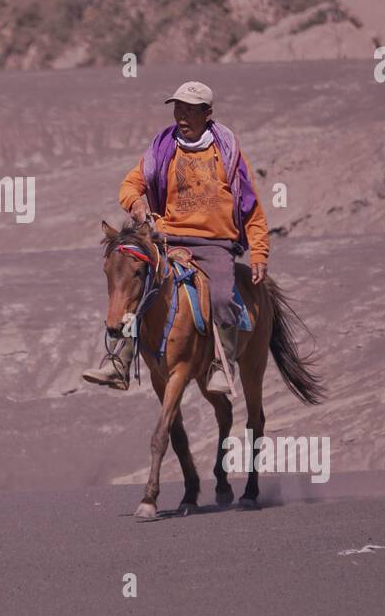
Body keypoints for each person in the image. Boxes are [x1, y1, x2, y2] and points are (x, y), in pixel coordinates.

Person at [83, 80, 270, 393]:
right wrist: (138, 203)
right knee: (138, 288)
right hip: (168, 240)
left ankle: (221, 367)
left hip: (215, 244)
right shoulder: (163, 148)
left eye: (191, 111)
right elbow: (129, 186)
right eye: (178, 109)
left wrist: (259, 252)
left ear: (207, 113)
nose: (182, 117)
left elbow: (251, 207)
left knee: (223, 296)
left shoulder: (227, 151)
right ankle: (119, 361)